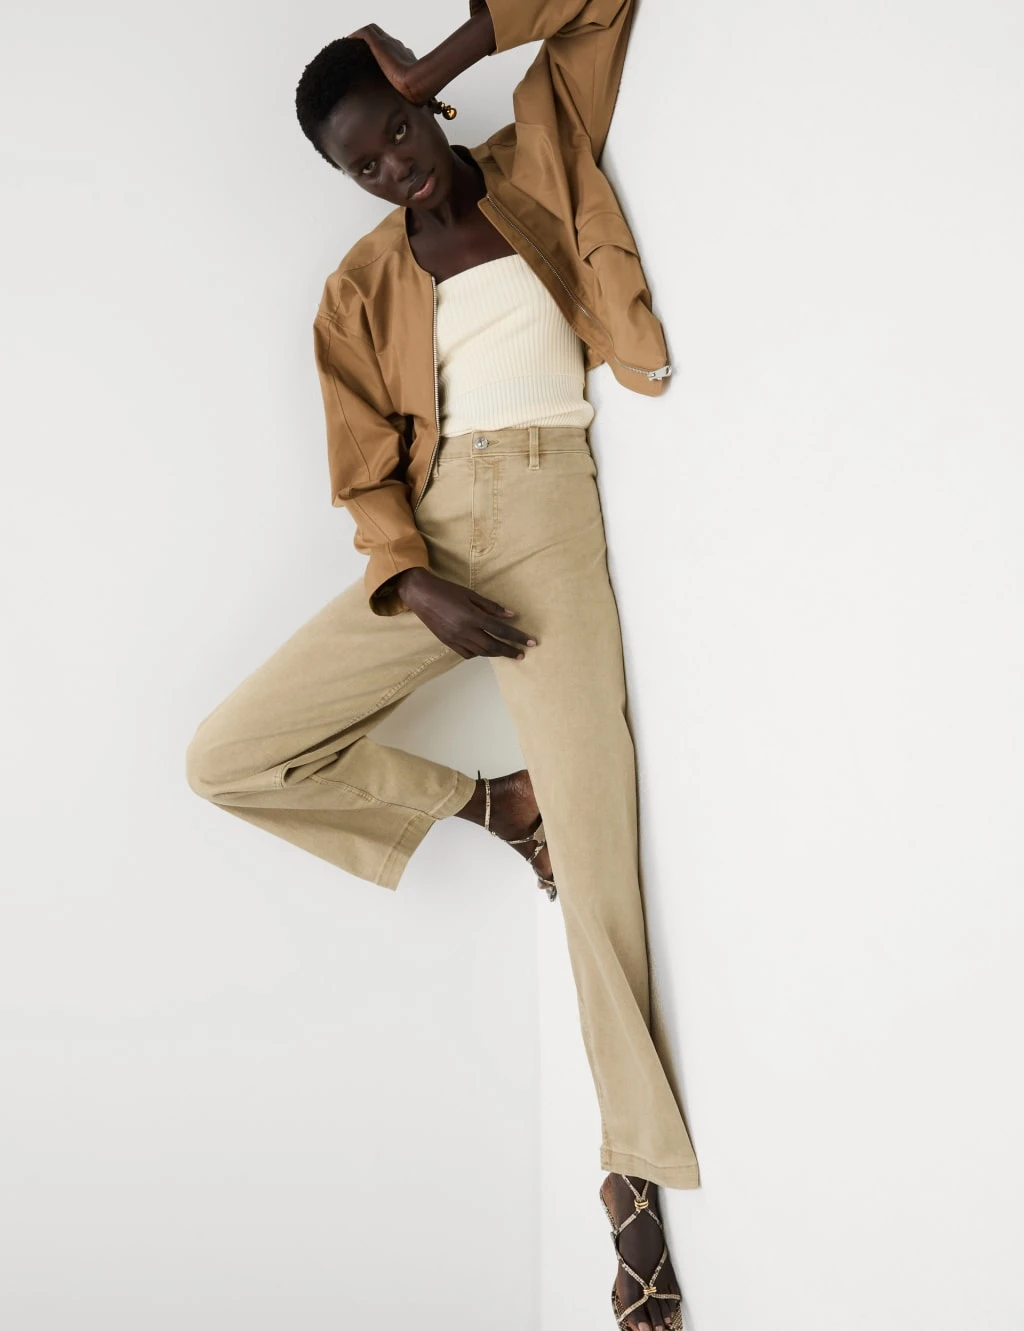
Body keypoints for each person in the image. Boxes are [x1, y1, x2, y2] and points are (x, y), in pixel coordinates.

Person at [185, 2, 700, 1327]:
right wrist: (414, 581)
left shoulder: (539, 155)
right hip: (436, 545)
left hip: (553, 518)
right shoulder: (357, 289)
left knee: (604, 864)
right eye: (361, 165)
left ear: (423, 100)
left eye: (396, 132)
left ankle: (632, 1184)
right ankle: (495, 805)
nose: (391, 170)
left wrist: (451, 47)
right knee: (229, 756)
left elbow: (600, 6)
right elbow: (365, 467)